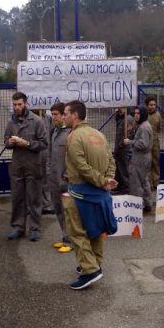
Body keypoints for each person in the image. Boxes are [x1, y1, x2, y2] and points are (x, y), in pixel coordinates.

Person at [63, 100, 117, 290]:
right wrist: (107, 180)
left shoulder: (73, 136)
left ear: (75, 115)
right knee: (95, 229)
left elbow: (81, 167)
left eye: (66, 113)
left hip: (80, 192)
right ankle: (95, 263)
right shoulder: (99, 134)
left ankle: (90, 270)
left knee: (77, 232)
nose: (64, 117)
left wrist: (103, 181)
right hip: (98, 192)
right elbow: (111, 160)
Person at [4, 92, 48, 241]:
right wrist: (9, 143)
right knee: (17, 198)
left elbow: (44, 144)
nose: (17, 107)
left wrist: (27, 144)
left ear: (26, 104)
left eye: (19, 104)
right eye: (14, 105)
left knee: (34, 199)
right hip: (17, 165)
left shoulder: (37, 121)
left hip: (33, 165)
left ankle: (35, 229)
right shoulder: (11, 123)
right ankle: (18, 227)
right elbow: (5, 141)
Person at [47, 102, 72, 252]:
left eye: (56, 114)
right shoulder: (54, 131)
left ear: (63, 115)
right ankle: (64, 236)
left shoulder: (71, 133)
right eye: (52, 114)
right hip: (53, 178)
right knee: (57, 208)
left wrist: (67, 175)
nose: (53, 117)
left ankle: (70, 241)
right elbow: (49, 154)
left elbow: (73, 157)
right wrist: (48, 170)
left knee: (67, 210)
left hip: (66, 179)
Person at [127, 105, 155, 213]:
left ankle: (137, 206)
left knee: (137, 182)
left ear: (143, 114)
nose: (136, 115)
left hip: (140, 157)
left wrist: (130, 142)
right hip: (144, 157)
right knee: (144, 180)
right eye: (135, 113)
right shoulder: (144, 125)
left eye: (138, 113)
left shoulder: (143, 127)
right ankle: (147, 203)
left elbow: (143, 144)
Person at [113, 107, 134, 194]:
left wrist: (120, 145)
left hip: (124, 149)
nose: (119, 109)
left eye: (121, 107)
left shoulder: (128, 119)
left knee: (124, 169)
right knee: (119, 169)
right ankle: (119, 187)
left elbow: (128, 135)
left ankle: (126, 188)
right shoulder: (121, 118)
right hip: (119, 148)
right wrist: (117, 114)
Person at [146, 97, 163, 190]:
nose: (152, 106)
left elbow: (159, 128)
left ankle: (156, 182)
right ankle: (149, 183)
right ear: (147, 105)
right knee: (147, 163)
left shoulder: (158, 115)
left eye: (154, 105)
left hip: (155, 142)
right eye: (150, 105)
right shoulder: (144, 115)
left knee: (156, 162)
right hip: (145, 142)